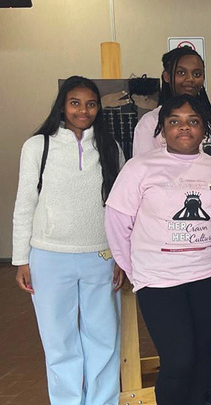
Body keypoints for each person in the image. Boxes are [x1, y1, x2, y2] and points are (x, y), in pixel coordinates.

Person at [105, 94, 211, 405]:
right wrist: (134, 269)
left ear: (204, 129)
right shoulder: (140, 167)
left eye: (192, 122)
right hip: (159, 279)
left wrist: (205, 246)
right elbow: (118, 220)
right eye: (174, 121)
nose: (183, 128)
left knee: (201, 358)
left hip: (207, 274)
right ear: (161, 130)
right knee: (179, 359)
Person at [131, 47, 211, 404]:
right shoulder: (150, 123)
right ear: (167, 77)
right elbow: (141, 185)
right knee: (180, 345)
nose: (189, 80)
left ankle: (209, 390)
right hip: (166, 246)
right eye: (182, 72)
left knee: (207, 329)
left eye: (197, 73)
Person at [12, 76, 124, 405]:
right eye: (75, 103)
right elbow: (24, 204)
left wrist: (120, 255)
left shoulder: (109, 146)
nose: (83, 110)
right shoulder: (38, 146)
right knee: (59, 341)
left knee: (103, 338)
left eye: (91, 104)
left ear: (99, 107)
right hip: (48, 257)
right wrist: (21, 259)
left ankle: (103, 401)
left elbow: (118, 207)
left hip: (100, 256)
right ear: (62, 105)